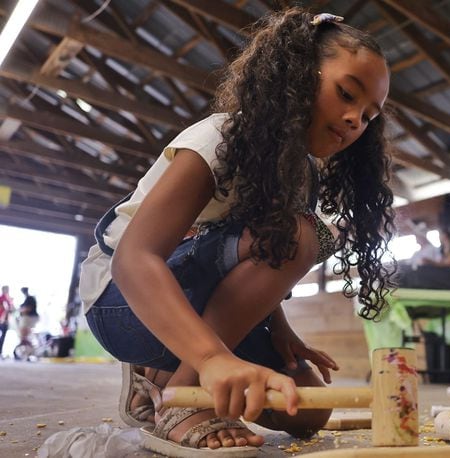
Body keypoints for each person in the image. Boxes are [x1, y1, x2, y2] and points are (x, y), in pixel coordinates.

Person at [79, 9, 395, 455]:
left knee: (304, 409)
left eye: (368, 116)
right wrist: (211, 359)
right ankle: (182, 399)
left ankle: (159, 381)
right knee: (302, 234)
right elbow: (134, 259)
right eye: (346, 93)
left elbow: (260, 260)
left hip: (197, 306)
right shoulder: (217, 140)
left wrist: (280, 328)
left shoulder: (302, 173)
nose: (353, 120)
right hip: (124, 305)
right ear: (300, 73)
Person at [0, 285, 13, 357]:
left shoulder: (7, 299)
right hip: (3, 320)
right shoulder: (4, 298)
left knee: (2, 336)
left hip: (4, 320)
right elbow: (7, 309)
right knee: (3, 336)